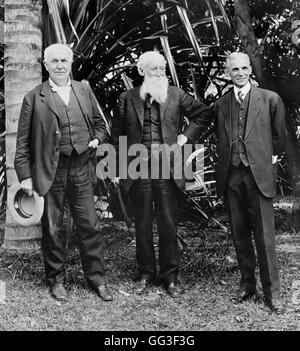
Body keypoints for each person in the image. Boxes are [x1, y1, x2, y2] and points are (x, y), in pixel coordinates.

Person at [14, 43, 113, 302]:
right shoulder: (34, 97)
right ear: (45, 65)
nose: (60, 65)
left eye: (64, 61)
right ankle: (56, 279)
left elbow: (101, 125)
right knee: (53, 227)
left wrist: (96, 139)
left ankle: (97, 279)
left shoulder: (83, 89)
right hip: (51, 171)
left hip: (81, 167)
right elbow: (23, 141)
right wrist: (25, 176)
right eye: (54, 61)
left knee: (89, 224)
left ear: (71, 63)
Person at [112, 51, 211, 297]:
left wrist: (185, 136)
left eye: (162, 68)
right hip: (138, 168)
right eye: (153, 69)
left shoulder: (176, 94)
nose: (159, 73)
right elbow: (117, 136)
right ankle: (145, 274)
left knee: (168, 222)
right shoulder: (127, 98)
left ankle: (171, 277)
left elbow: (204, 113)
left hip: (168, 168)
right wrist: (115, 168)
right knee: (143, 223)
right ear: (141, 71)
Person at [212, 52, 287, 312]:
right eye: (235, 69)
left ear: (250, 70)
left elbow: (280, 137)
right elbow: (219, 138)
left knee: (265, 237)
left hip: (259, 176)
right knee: (239, 233)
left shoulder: (269, 99)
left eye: (245, 68)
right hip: (231, 176)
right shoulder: (221, 104)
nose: (241, 73)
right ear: (227, 72)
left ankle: (272, 293)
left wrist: (266, 160)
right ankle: (247, 284)